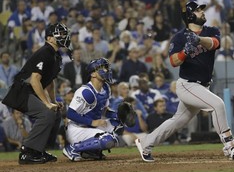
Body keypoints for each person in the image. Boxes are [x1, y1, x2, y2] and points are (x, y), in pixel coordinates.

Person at [135, 1, 234, 162]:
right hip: (187, 85)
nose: (202, 12)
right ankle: (231, 147)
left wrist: (198, 40)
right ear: (190, 16)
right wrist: (185, 50)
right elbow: (174, 61)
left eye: (202, 10)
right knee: (218, 105)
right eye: (198, 10)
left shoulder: (211, 30)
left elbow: (215, 43)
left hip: (203, 86)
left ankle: (145, 143)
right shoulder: (179, 37)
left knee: (177, 121)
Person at [2, 22, 72, 164]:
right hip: (21, 91)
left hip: (30, 91)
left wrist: (52, 101)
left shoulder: (56, 56)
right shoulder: (45, 52)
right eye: (60, 33)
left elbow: (50, 82)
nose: (64, 36)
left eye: (64, 33)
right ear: (49, 38)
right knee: (46, 113)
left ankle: (38, 150)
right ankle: (26, 152)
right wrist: (46, 103)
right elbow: (35, 80)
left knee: (55, 112)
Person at [62, 58, 135, 161]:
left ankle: (90, 152)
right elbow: (70, 114)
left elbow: (104, 110)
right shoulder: (86, 92)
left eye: (106, 68)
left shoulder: (106, 88)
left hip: (90, 127)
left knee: (118, 123)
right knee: (108, 140)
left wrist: (117, 115)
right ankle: (73, 149)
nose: (106, 70)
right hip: (76, 128)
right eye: (102, 68)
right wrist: (92, 122)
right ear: (93, 74)